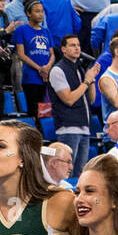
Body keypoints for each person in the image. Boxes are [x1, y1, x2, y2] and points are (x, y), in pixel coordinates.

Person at [48, 34, 100, 174]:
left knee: (80, 174)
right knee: (66, 173)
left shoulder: (79, 68)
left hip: (84, 127)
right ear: (63, 49)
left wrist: (92, 80)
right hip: (68, 128)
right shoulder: (58, 70)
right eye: (72, 45)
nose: (77, 48)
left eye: (78, 45)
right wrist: (87, 81)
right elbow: (69, 99)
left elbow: (91, 100)